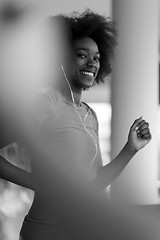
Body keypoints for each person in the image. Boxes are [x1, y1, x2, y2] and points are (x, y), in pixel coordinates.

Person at [0, 10, 152, 240]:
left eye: (97, 57)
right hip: (46, 231)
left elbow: (95, 184)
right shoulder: (48, 102)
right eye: (82, 54)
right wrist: (36, 182)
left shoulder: (90, 115)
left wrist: (130, 149)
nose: (92, 62)